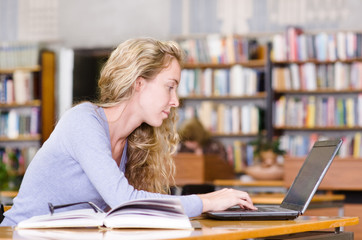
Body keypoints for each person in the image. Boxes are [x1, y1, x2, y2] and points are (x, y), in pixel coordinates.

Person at [1, 38, 256, 226]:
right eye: (170, 87)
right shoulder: (83, 121)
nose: (175, 100)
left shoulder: (132, 141)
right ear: (139, 83)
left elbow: (129, 211)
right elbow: (125, 201)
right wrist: (208, 201)